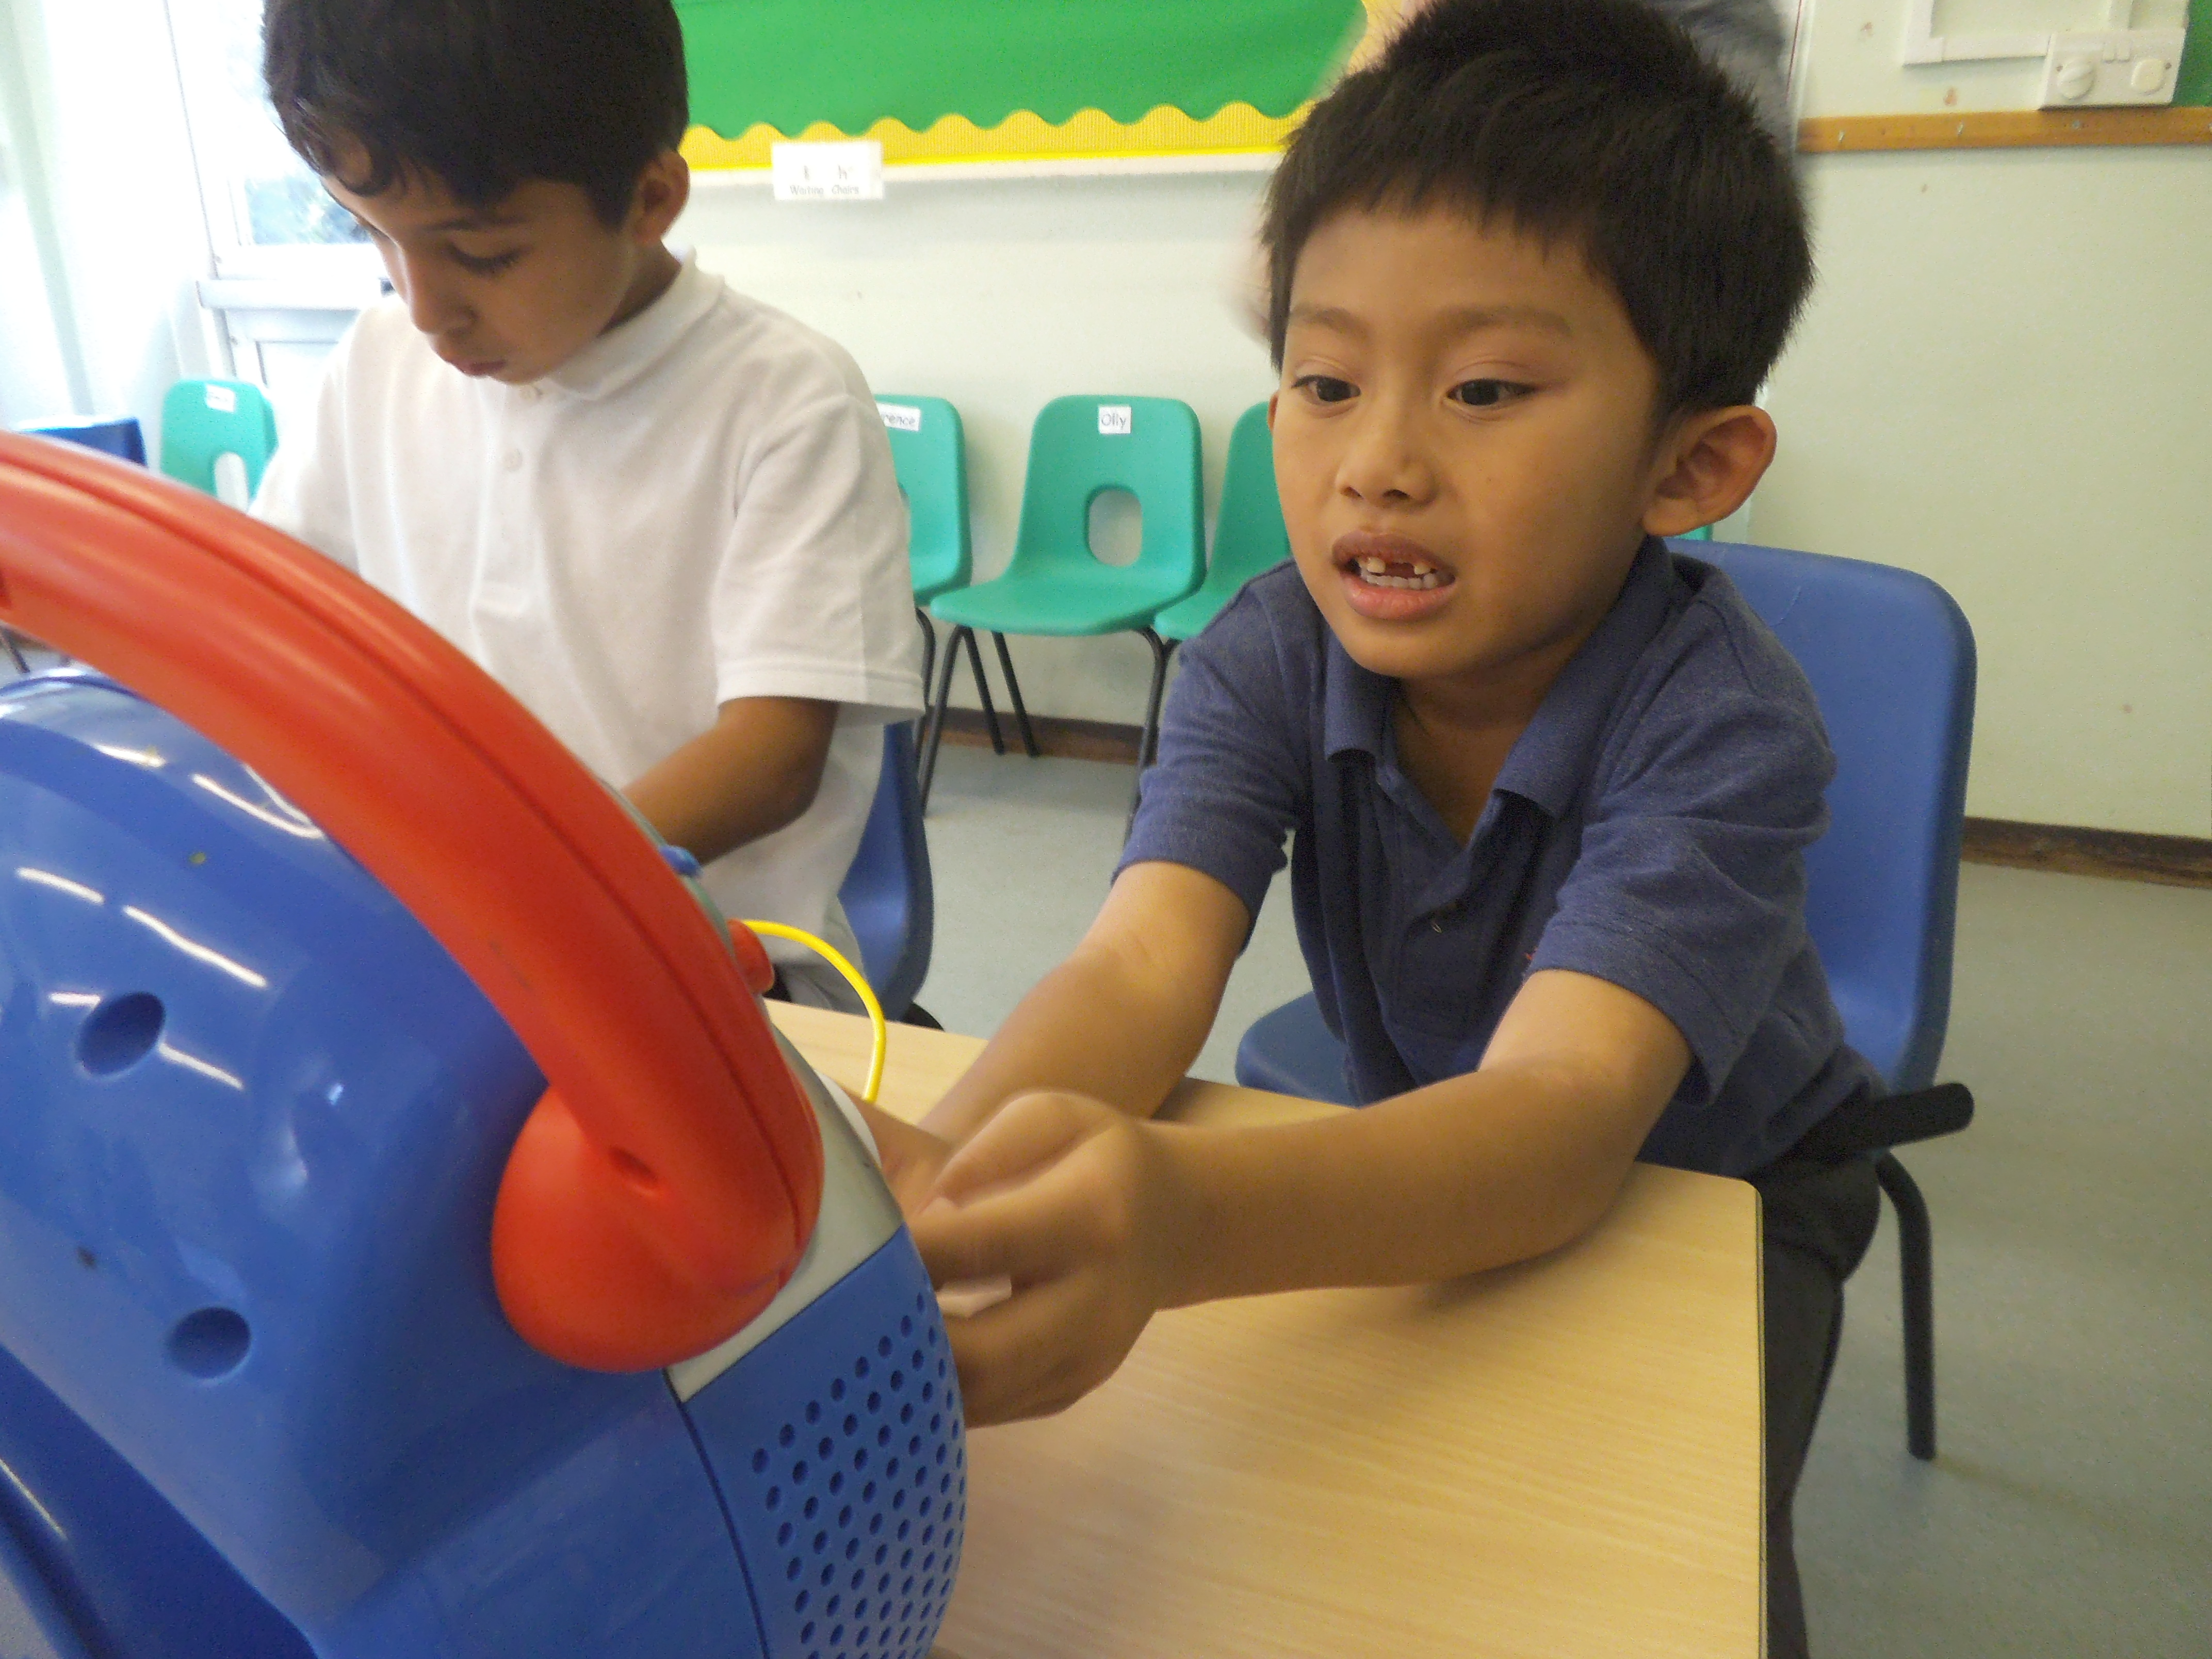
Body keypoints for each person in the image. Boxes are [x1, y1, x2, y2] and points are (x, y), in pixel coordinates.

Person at [873, 1, 1874, 1651]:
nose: (1378, 465)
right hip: (1450, 1155)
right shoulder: (1270, 649)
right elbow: (1141, 966)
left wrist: (1186, 1217)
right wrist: (958, 1180)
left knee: (1658, 1585)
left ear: (1692, 466)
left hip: (1718, 1196)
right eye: (1324, 380)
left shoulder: (1722, 723)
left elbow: (1561, 1116)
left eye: (1483, 389)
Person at [251, 0, 923, 1005]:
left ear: (650, 199)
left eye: (481, 255)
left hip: (708, 966)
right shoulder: (375, 363)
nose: (425, 309)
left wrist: (510, 888)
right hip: (448, 945)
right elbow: (274, 626)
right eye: (374, 235)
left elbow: (771, 757)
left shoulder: (786, 399)